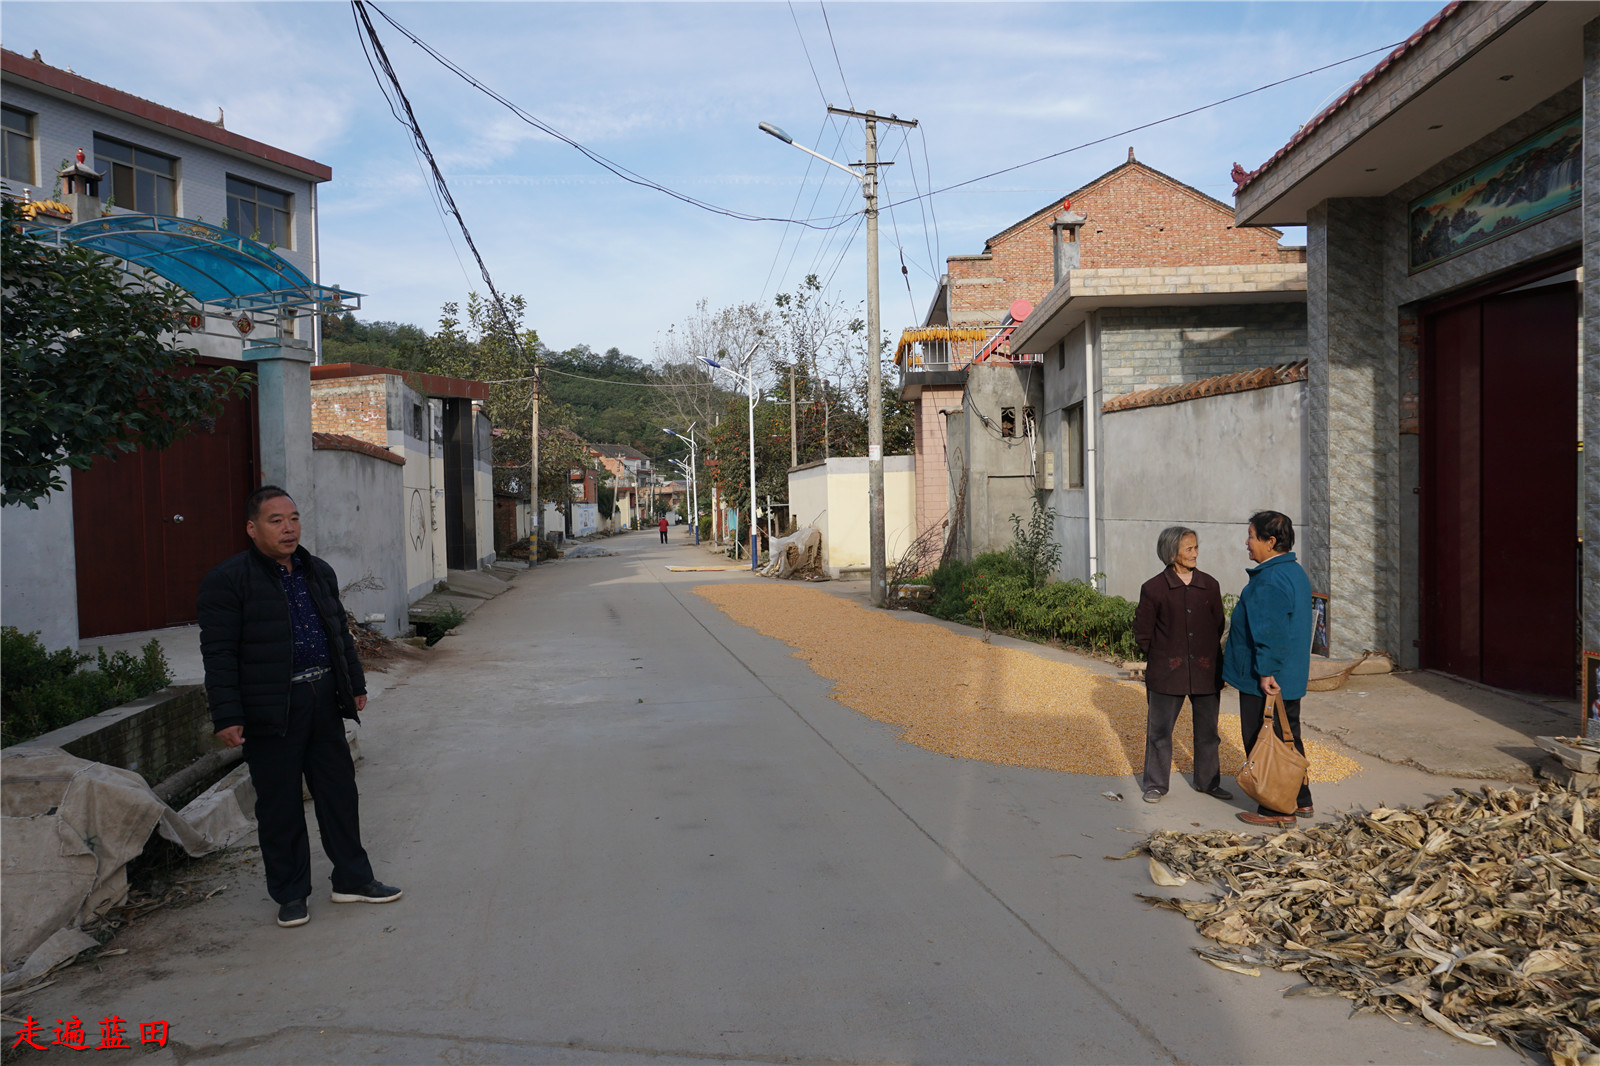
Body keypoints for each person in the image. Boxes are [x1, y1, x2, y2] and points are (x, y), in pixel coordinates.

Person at [199, 486, 401, 928]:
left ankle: (352, 880)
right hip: (270, 708)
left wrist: (355, 683)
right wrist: (228, 714)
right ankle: (291, 894)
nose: (289, 528)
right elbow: (218, 653)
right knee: (279, 805)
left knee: (339, 794)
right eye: (276, 520)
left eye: (293, 518)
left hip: (323, 698)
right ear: (252, 529)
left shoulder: (317, 571)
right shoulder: (227, 580)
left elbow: (338, 633)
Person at [1222, 510, 1315, 827]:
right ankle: (1301, 800)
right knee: (1288, 738)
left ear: (1270, 541)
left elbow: (1269, 632)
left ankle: (1277, 809)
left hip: (1267, 678)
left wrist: (1265, 672)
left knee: (1264, 740)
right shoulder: (1294, 572)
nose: (1247, 543)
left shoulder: (1271, 580)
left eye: (1251, 536)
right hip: (1288, 676)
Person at [1132, 526, 1231, 805]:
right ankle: (1155, 784)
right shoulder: (1153, 588)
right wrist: (1163, 656)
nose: (1195, 553)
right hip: (1167, 673)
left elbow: (1218, 624)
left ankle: (1208, 782)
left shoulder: (1209, 585)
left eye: (1196, 547)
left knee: (1209, 734)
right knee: (1159, 732)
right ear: (1171, 552)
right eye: (1189, 548)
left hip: (1205, 670)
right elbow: (1143, 631)